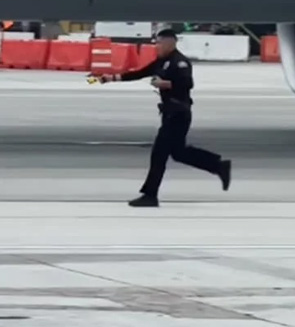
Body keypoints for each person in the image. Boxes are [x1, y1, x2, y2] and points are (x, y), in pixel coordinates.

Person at [93, 29, 232, 207]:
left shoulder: (179, 62)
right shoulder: (162, 61)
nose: (156, 46)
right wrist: (111, 78)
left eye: (159, 43)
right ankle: (218, 166)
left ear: (169, 43)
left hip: (178, 114)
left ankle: (150, 195)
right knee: (179, 153)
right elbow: (139, 73)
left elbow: (187, 84)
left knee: (159, 154)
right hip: (170, 113)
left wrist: (164, 84)